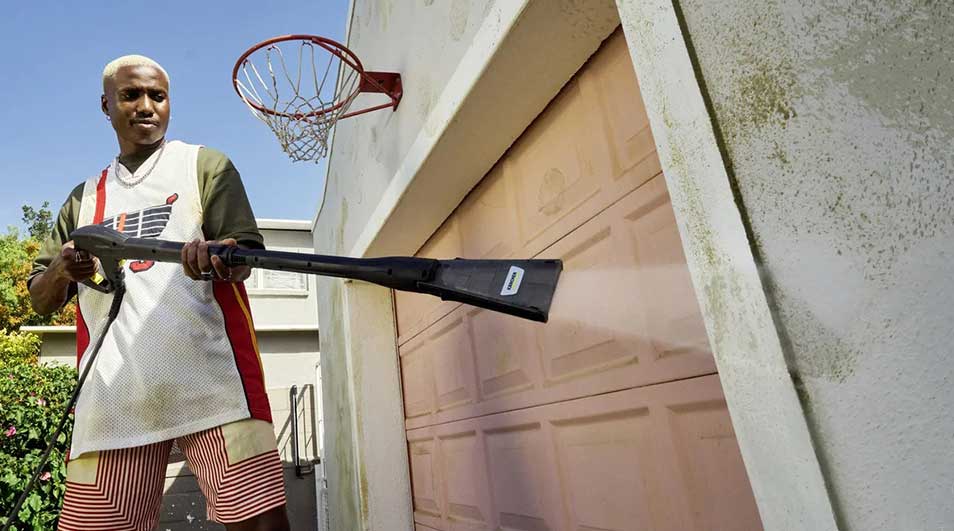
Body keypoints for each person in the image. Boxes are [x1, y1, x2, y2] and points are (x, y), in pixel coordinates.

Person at [28, 55, 290, 531]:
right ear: (106, 106)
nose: (146, 106)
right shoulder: (82, 198)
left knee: (262, 525)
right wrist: (64, 269)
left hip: (213, 384)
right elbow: (40, 297)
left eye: (158, 95)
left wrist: (220, 255)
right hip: (113, 397)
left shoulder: (205, 165)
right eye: (131, 95)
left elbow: (245, 258)